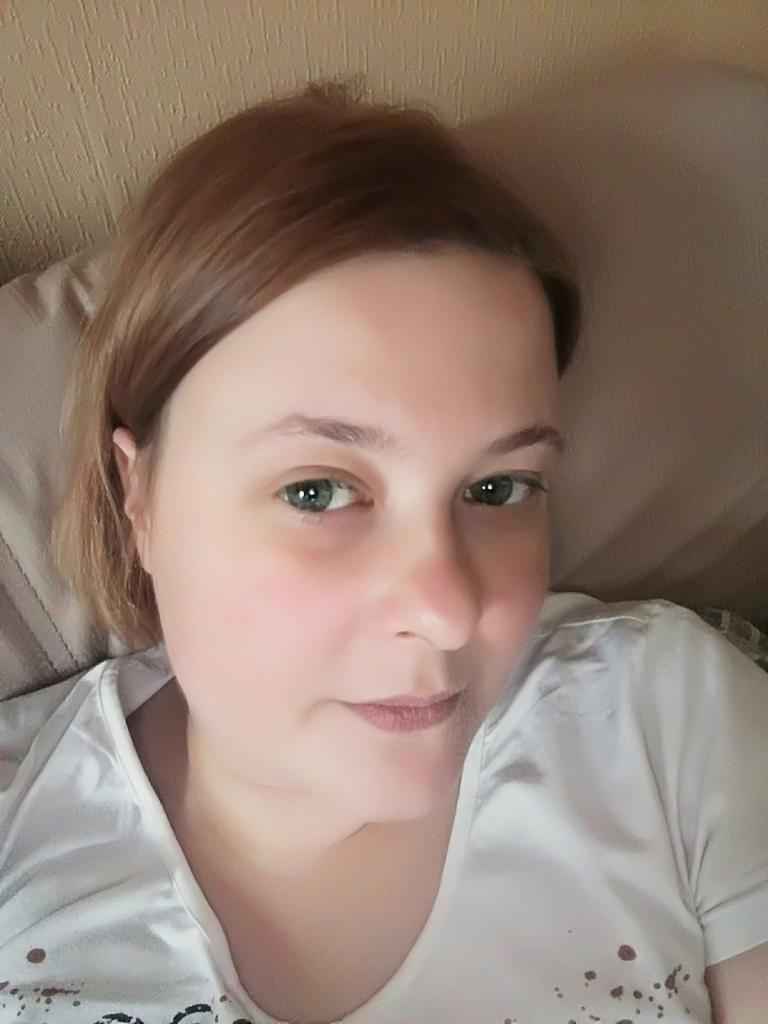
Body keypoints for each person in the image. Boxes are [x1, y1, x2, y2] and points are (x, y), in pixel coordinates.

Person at [0, 79, 765, 1024]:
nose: (447, 610)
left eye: (498, 489)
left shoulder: (664, 720)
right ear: (140, 496)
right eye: (317, 491)